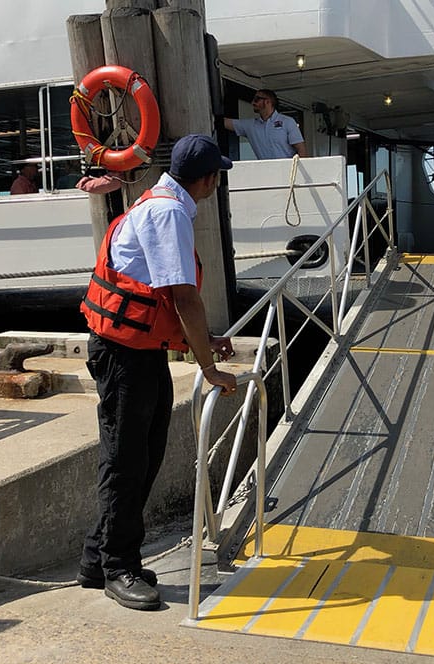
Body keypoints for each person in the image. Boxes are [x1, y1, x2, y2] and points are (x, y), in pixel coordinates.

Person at [77, 133, 238, 612]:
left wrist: (201, 341)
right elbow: (183, 295)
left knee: (142, 454)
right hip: (124, 355)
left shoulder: (162, 201)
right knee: (127, 459)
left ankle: (97, 556)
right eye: (217, 176)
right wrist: (208, 368)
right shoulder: (169, 212)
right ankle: (117, 565)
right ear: (208, 179)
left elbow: (161, 296)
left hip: (137, 350)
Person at [223, 89, 307, 159]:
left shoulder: (287, 122)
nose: (253, 103)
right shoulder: (250, 126)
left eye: (256, 99)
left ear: (267, 102)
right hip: (266, 173)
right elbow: (224, 122)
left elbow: (301, 148)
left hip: (288, 172)